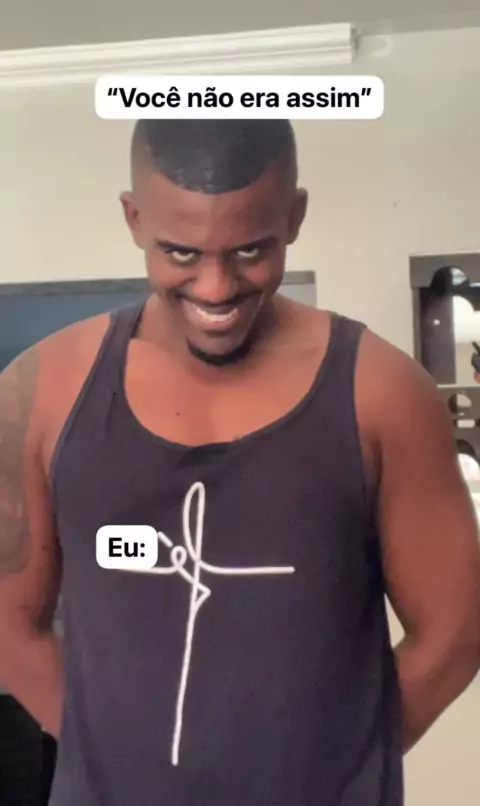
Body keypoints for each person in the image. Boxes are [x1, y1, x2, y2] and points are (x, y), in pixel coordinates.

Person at [0, 119, 479, 806]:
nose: (216, 287)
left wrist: (343, 770)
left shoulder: (384, 393)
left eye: (251, 250)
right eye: (181, 252)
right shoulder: (40, 390)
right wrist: (111, 767)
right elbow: (9, 623)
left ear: (295, 216)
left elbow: (456, 632)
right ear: (134, 219)